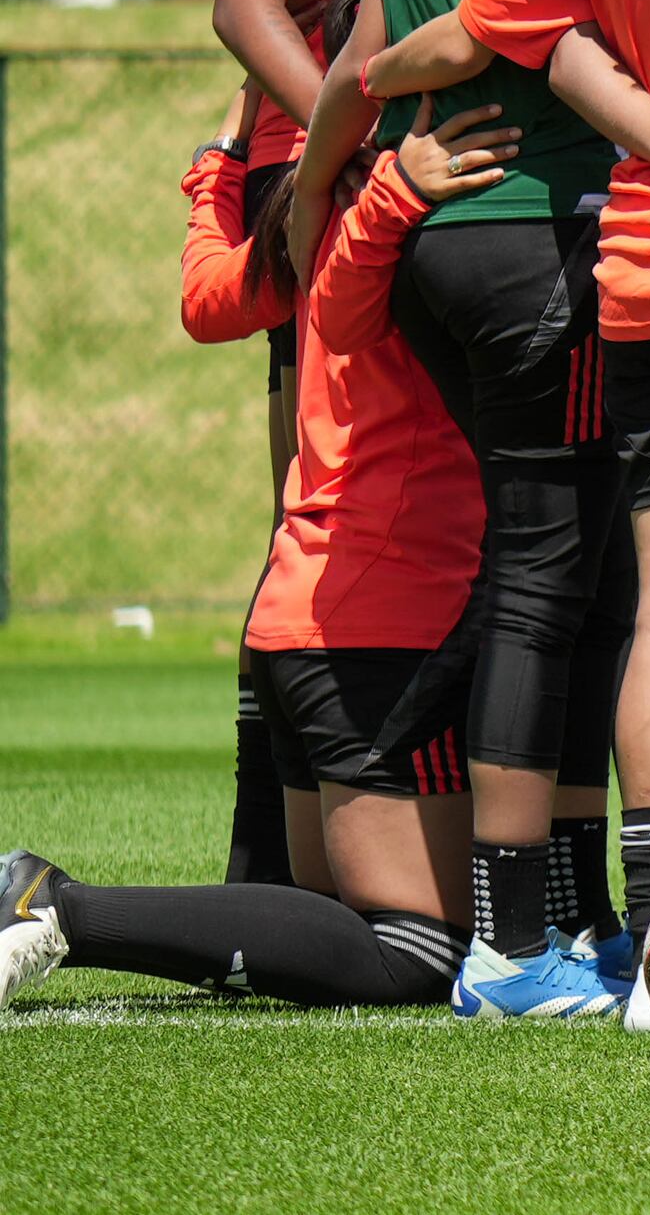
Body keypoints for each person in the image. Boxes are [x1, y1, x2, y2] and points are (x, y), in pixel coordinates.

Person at [274, 0, 650, 1018]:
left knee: (568, 577)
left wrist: (321, 178)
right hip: (538, 218)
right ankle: (520, 940)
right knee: (558, 577)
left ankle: (565, 921)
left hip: (450, 231)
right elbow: (554, 18)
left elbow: (376, 34)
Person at [0, 126, 524, 1011]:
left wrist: (219, 168)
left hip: (305, 611)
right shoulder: (395, 224)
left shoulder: (311, 215)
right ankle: (58, 905)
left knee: (323, 914)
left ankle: (57, 905)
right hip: (386, 626)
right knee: (420, 952)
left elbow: (208, 300)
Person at [196, 0, 511, 888]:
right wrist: (334, 145)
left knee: (359, 503)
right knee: (311, 515)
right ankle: (271, 866)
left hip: (367, 163)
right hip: (319, 178)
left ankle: (307, 855)